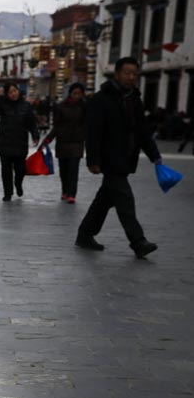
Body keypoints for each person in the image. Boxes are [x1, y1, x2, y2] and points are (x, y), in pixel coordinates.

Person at [76, 57, 162, 258]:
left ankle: (85, 234)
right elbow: (93, 131)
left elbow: (143, 131)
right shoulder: (101, 99)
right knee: (124, 199)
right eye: (127, 73)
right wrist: (93, 160)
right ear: (117, 74)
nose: (131, 77)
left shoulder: (135, 99)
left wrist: (155, 156)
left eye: (134, 74)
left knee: (105, 199)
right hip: (109, 158)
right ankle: (138, 241)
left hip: (127, 157)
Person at [0, 82, 39, 201]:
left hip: (20, 143)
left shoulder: (26, 105)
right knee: (6, 170)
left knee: (20, 169)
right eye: (10, 92)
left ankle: (18, 184)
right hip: (5, 142)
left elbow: (31, 122)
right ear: (7, 94)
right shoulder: (3, 104)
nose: (13, 94)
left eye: (15, 91)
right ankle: (7, 192)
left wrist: (35, 135)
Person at [41, 82, 86, 203]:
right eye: (75, 93)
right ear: (70, 93)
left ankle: (72, 194)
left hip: (77, 142)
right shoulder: (61, 107)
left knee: (73, 169)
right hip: (62, 142)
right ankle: (65, 191)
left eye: (79, 94)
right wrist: (47, 140)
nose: (77, 96)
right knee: (64, 170)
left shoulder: (85, 107)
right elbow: (56, 126)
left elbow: (88, 126)